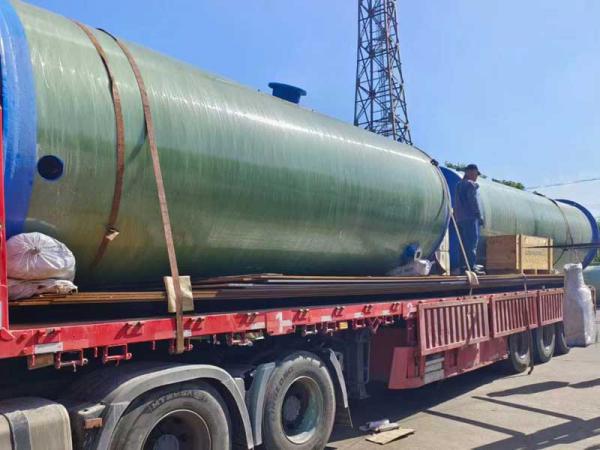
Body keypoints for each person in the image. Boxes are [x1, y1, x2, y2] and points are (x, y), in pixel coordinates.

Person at [454, 164, 484, 273]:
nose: (476, 177)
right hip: (470, 218)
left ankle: (463, 266)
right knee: (471, 243)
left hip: (460, 219)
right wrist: (478, 215)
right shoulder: (471, 185)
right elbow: (473, 200)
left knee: (462, 244)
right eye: (476, 174)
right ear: (469, 172)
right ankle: (471, 266)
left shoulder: (458, 185)